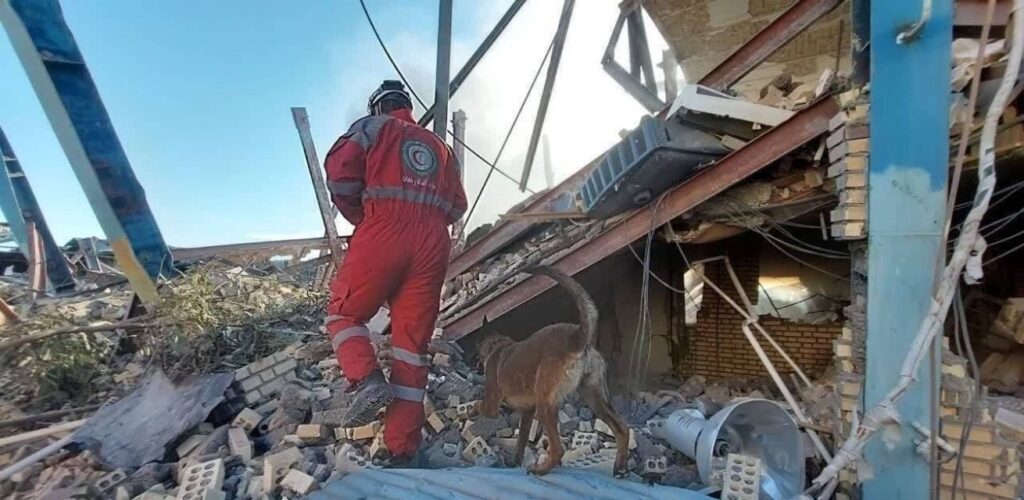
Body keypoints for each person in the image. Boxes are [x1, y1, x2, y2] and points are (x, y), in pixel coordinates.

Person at [322, 80, 466, 465]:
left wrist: (364, 214)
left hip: (383, 229)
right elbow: (458, 205)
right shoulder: (440, 147)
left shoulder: (372, 128)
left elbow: (339, 175)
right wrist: (427, 216)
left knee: (344, 315)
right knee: (411, 350)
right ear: (407, 106)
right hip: (433, 243)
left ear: (377, 107)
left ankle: (367, 381)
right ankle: (402, 449)